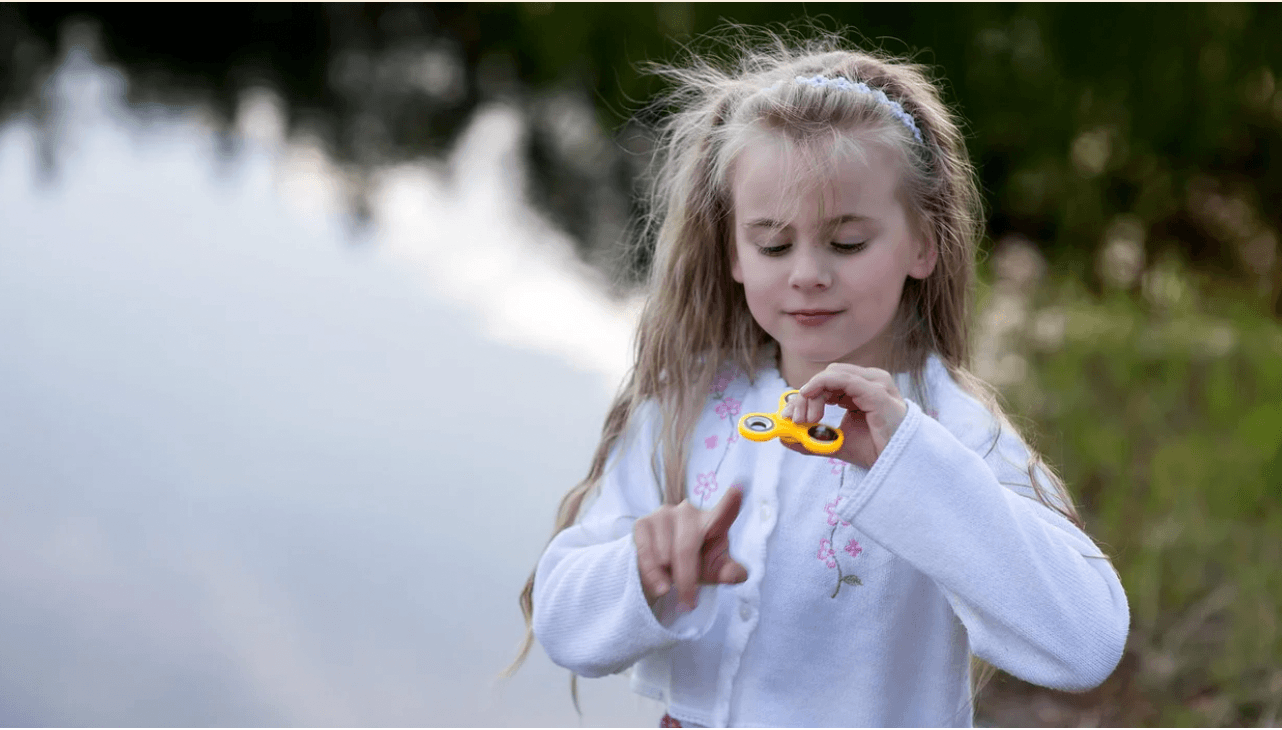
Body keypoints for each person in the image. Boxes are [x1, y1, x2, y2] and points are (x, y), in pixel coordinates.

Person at [505, 29, 1129, 727]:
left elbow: (1087, 642)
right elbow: (563, 621)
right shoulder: (688, 411)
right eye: (772, 243)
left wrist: (909, 466)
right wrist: (642, 573)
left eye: (847, 242)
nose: (806, 273)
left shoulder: (949, 428)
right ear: (733, 252)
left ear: (923, 241)